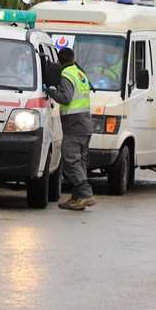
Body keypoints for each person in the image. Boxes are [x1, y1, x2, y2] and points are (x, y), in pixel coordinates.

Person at [46, 47, 97, 211]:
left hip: (74, 124)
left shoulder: (66, 75)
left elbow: (66, 98)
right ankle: (77, 199)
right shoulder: (79, 73)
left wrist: (50, 92)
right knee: (79, 162)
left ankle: (86, 194)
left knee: (70, 160)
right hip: (84, 123)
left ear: (60, 61)